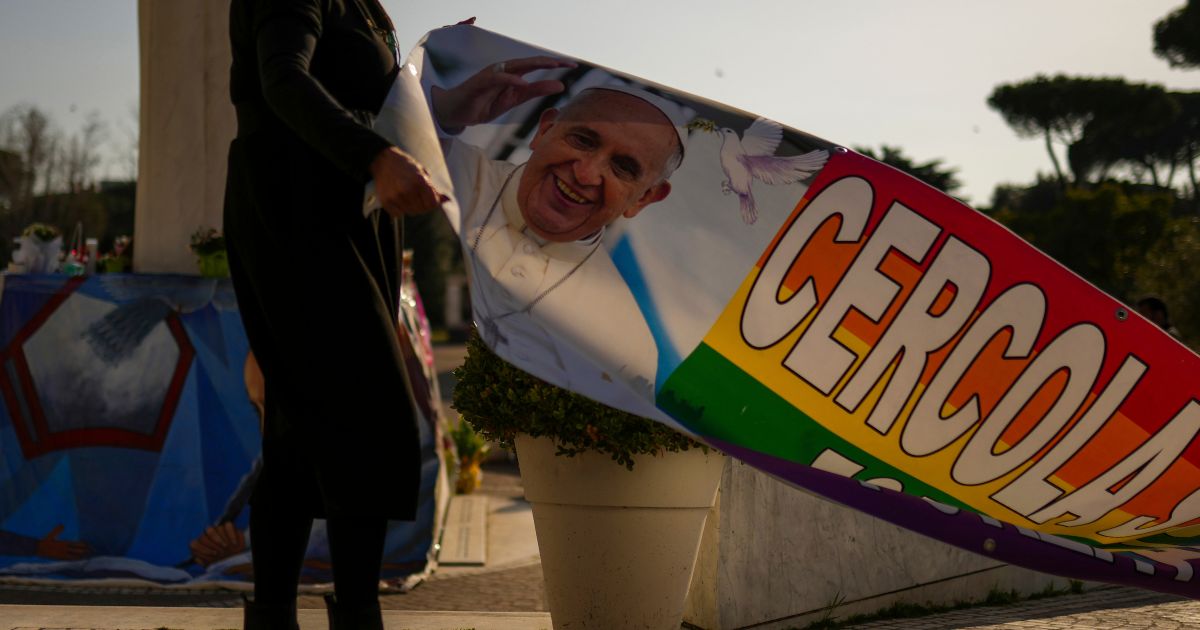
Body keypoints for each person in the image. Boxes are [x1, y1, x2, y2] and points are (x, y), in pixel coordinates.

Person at [223, 2, 445, 628]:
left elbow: (375, 99)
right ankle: (357, 614)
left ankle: (275, 614)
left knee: (298, 428)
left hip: (354, 212)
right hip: (296, 210)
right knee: (369, 411)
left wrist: (448, 71)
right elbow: (282, 78)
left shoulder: (364, 6)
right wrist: (375, 156)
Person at [430, 59, 686, 407]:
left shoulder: (628, 347)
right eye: (583, 140)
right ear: (544, 129)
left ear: (644, 198)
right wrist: (439, 116)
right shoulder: (438, 165)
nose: (586, 174)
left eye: (622, 167)